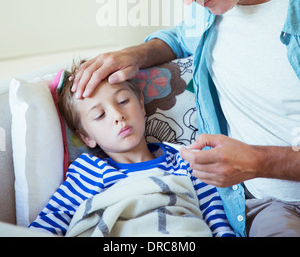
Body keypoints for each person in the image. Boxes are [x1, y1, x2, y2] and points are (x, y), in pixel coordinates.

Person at [71, 0, 300, 237]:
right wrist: (139, 53)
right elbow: (181, 37)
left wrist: (258, 161)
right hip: (247, 205)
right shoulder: (212, 2)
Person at [29, 64, 235, 237]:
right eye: (100, 115)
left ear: (142, 106)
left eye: (123, 102)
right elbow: (51, 221)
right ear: (87, 137)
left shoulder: (185, 158)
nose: (118, 115)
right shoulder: (89, 170)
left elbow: (215, 215)